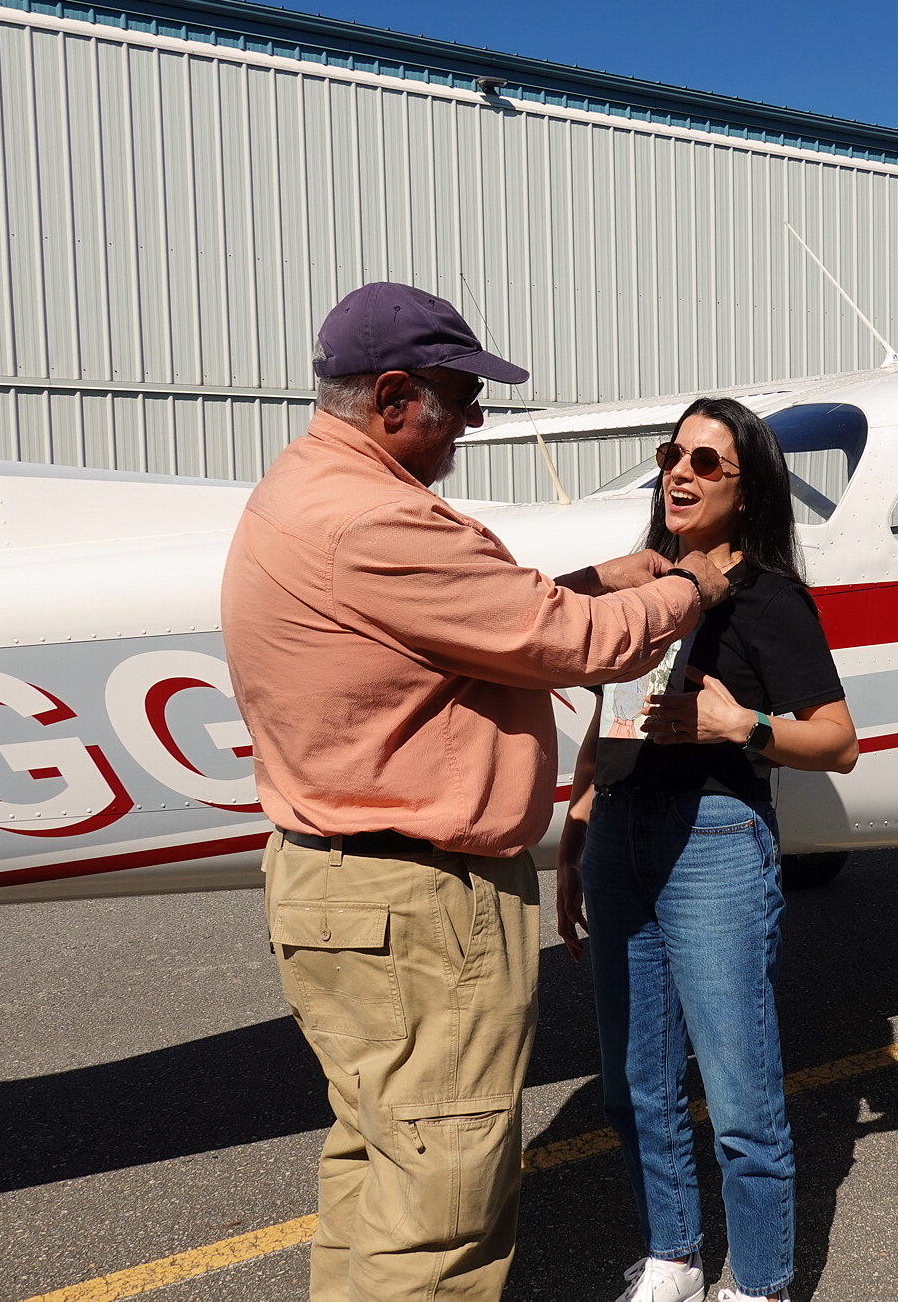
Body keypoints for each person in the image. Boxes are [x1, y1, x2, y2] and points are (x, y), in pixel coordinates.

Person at [219, 282, 729, 1302]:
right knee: (440, 1214)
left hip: (337, 890)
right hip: (417, 902)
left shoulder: (301, 488)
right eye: (460, 399)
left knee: (377, 1158)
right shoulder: (381, 521)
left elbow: (472, 624)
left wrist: (603, 576)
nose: (476, 420)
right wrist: (692, 585)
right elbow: (573, 644)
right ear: (392, 397)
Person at [554, 398, 859, 1302]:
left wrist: (742, 724)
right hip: (619, 836)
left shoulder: (770, 597)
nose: (678, 474)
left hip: (716, 845)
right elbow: (610, 714)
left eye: (705, 461)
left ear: (747, 488)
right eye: (671, 455)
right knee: (633, 1084)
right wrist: (576, 832)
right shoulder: (642, 589)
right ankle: (674, 1258)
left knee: (739, 1097)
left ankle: (760, 1285)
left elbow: (839, 740)